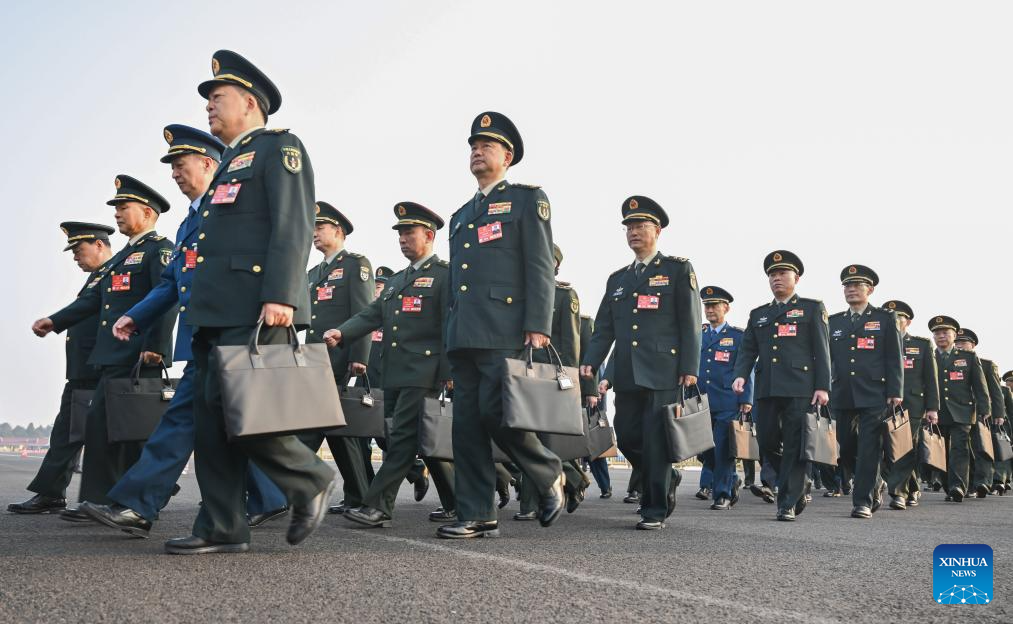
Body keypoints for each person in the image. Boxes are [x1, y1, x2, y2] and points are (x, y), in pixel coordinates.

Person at [165, 50, 336, 554]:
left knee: (249, 411)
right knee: (211, 420)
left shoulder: (278, 149)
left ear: (251, 102)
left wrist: (282, 294)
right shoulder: (226, 166)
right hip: (214, 311)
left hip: (254, 305)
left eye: (217, 99)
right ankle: (221, 525)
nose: (209, 109)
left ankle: (309, 477)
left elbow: (293, 223)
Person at [81, 124, 287, 538]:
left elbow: (274, 248)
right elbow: (171, 282)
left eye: (181, 163)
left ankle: (141, 504)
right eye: (171, 166)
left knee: (207, 422)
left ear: (210, 164)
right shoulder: (189, 224)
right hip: (202, 338)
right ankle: (269, 498)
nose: (174, 172)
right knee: (210, 423)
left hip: (234, 334)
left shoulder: (231, 210)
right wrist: (135, 316)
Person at [438, 111, 564, 539]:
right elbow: (457, 282)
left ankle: (546, 471)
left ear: (507, 156)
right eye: (473, 146)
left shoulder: (527, 199)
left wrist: (538, 325)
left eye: (486, 145)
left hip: (504, 326)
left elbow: (540, 266)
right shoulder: (459, 216)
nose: (476, 151)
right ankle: (475, 513)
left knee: (498, 413)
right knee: (466, 426)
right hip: (464, 333)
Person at [34, 176, 176, 521]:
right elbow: (94, 300)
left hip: (139, 356)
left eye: (123, 208)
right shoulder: (122, 257)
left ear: (146, 211)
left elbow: (168, 298)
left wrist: (156, 345)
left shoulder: (159, 250)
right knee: (106, 430)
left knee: (130, 433)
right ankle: (107, 501)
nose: (117, 215)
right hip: (113, 356)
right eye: (115, 209)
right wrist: (55, 321)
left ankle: (128, 500)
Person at [326, 202, 456, 527]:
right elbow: (372, 315)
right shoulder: (398, 281)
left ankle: (377, 506)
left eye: (409, 233)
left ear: (429, 235)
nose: (402, 239)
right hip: (397, 375)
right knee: (413, 440)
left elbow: (452, 326)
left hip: (424, 374)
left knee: (402, 441)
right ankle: (457, 502)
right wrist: (342, 332)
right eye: (399, 234)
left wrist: (449, 373)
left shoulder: (444, 276)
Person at [581, 196, 702, 530]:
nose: (633, 232)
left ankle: (654, 508)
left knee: (657, 439)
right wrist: (591, 361)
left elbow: (690, 322)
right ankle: (665, 478)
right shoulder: (618, 279)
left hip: (665, 370)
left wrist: (689, 367)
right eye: (629, 227)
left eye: (640, 226)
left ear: (657, 231)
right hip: (628, 372)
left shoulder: (677, 270)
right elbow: (605, 325)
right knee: (629, 436)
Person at [8, 222, 114, 514]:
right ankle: (52, 492)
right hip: (84, 370)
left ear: (99, 245)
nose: (76, 258)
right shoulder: (98, 278)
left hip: (97, 369)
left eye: (79, 251)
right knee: (69, 432)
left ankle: (148, 486)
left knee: (76, 433)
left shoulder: (114, 273)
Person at [732, 250, 831, 522]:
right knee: (766, 441)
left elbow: (822, 351)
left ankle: (787, 501)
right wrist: (740, 374)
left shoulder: (812, 308)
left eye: (782, 274)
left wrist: (822, 386)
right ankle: (795, 485)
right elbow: (747, 349)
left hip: (801, 387)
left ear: (796, 278)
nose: (777, 278)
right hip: (767, 387)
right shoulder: (759, 314)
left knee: (796, 445)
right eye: (772, 275)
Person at [297, 201, 373, 515]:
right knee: (337, 432)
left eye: (320, 227)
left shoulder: (355, 264)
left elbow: (363, 312)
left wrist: (359, 356)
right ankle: (359, 495)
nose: (314, 234)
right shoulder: (314, 272)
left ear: (338, 231)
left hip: (340, 357)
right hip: (315, 357)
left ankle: (288, 487)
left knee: (316, 427)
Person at [827, 265, 903, 519]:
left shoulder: (884, 319)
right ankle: (876, 481)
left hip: (874, 392)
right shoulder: (834, 321)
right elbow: (826, 360)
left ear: (869, 290)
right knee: (846, 448)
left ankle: (862, 501)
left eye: (856, 285)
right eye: (847, 286)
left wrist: (895, 390)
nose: (850, 289)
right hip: (842, 392)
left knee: (870, 446)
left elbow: (894, 357)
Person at [697, 286, 753, 510]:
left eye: (714, 305)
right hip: (701, 401)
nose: (709, 310)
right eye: (706, 306)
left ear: (726, 308)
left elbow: (746, 367)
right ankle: (731, 481)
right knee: (704, 450)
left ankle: (722, 494)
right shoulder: (698, 334)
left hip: (727, 400)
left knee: (723, 449)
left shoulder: (738, 336)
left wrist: (746, 398)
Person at [881, 300, 939, 509]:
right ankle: (912, 486)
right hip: (882, 401)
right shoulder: (878, 341)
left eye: (899, 318)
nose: (895, 322)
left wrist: (932, 408)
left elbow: (931, 379)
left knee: (904, 447)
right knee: (885, 449)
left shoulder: (921, 345)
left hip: (912, 403)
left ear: (909, 322)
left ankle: (898, 493)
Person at [927, 316, 990, 502]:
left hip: (962, 410)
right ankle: (948, 485)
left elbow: (980, 385)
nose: (941, 336)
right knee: (941, 450)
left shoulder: (968, 357)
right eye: (937, 333)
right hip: (937, 411)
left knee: (960, 448)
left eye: (945, 333)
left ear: (954, 336)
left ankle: (958, 486)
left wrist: (985, 408)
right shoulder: (929, 356)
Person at [953, 327, 1006, 498]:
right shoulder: (948, 361)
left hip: (982, 413)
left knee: (982, 448)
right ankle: (966, 485)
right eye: (957, 343)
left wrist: (998, 414)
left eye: (963, 343)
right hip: (960, 412)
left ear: (973, 345)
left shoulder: (986, 364)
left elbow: (996, 392)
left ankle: (983, 482)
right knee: (962, 449)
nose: (959, 346)